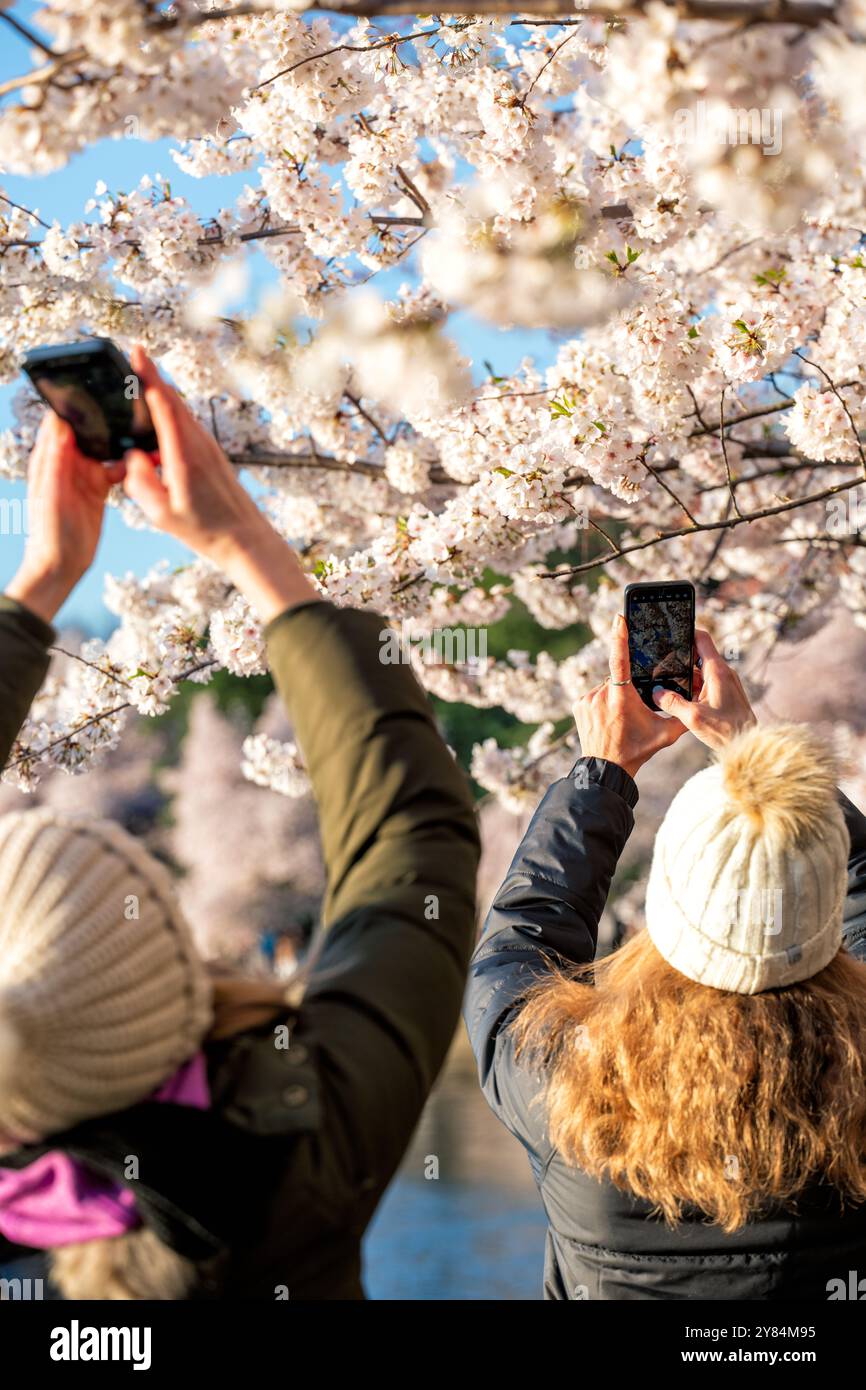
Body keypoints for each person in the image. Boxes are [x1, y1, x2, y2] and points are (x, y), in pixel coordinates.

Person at [0, 348, 480, 1300]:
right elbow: (412, 849)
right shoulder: (300, 1140)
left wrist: (39, 586)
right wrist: (244, 547)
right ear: (166, 968)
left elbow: (410, 849)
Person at [466, 614, 866, 1300]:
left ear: (668, 905)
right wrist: (762, 766)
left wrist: (604, 773)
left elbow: (517, 946)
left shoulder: (572, 1091)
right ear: (819, 901)